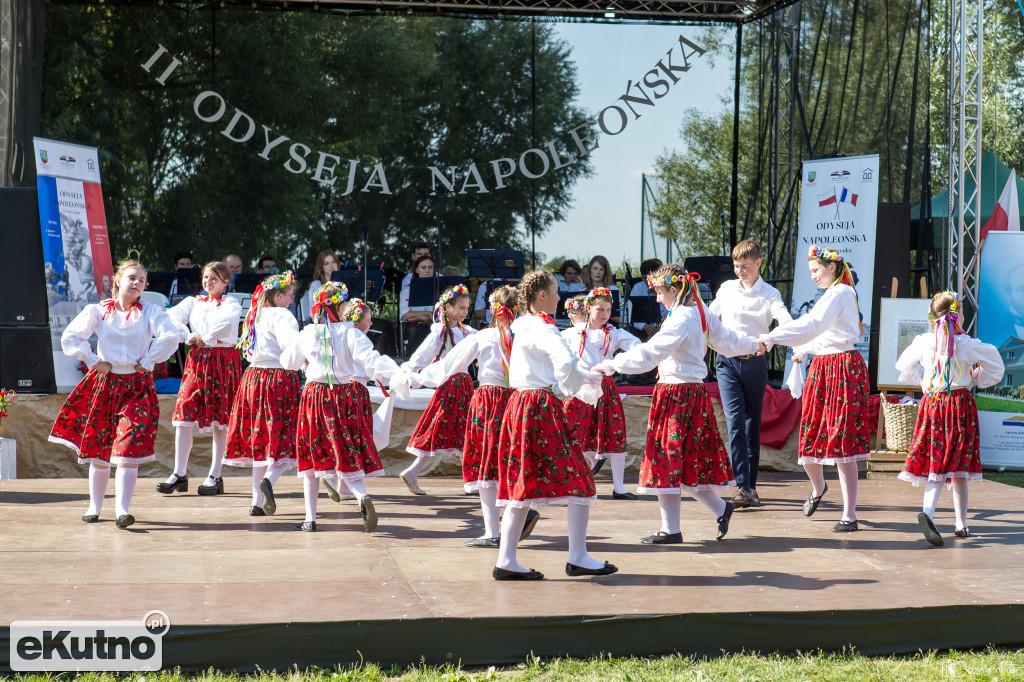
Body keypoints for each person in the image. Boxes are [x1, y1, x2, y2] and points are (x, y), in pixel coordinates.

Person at [594, 265, 760, 545]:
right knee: (681, 461)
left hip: (677, 394)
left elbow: (651, 353)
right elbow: (728, 341)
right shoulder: (698, 311)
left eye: (659, 292)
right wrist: (753, 344)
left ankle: (672, 529)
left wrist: (613, 364)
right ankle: (716, 510)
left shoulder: (682, 318)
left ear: (674, 290)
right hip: (692, 394)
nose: (657, 299)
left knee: (666, 458)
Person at [492, 270, 616, 580]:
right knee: (581, 479)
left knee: (523, 483)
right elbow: (565, 363)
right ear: (542, 296)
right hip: (538, 407)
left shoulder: (522, 328)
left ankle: (506, 560)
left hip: (519, 406)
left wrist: (577, 381)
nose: (561, 297)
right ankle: (578, 557)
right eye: (556, 291)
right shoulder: (544, 330)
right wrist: (577, 386)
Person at [49, 259, 180, 528]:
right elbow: (71, 337)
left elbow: (170, 335)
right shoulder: (98, 311)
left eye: (142, 281)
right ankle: (95, 507)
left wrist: (150, 360)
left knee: (128, 448)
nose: (137, 284)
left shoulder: (151, 311)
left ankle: (122, 510)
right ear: (118, 281)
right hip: (105, 383)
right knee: (99, 449)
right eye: (132, 278)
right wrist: (93, 359)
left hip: (136, 386)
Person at [413, 286, 540, 546]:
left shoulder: (483, 336)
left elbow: (449, 366)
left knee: (486, 462)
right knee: (513, 458)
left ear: (494, 310)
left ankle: (492, 531)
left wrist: (413, 379)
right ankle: (521, 509)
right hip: (518, 400)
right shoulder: (528, 335)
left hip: (488, 400)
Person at [760, 246, 870, 532]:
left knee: (842, 441)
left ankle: (849, 514)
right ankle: (818, 487)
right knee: (811, 431)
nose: (813, 277)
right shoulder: (831, 295)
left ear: (832, 268)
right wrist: (805, 350)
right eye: (810, 272)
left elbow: (814, 325)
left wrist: (772, 337)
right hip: (823, 368)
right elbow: (822, 334)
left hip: (843, 369)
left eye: (816, 270)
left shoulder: (841, 293)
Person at [282, 284, 405, 532]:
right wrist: (399, 374)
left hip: (315, 397)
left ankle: (310, 519)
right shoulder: (351, 334)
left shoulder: (308, 334)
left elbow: (288, 363)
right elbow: (371, 363)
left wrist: (306, 359)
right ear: (339, 307)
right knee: (345, 449)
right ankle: (362, 496)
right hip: (344, 396)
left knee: (312, 457)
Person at [895, 291, 1003, 545]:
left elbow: (903, 367)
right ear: (957, 315)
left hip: (933, 404)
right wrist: (976, 377)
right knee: (959, 468)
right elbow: (996, 369)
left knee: (937, 463)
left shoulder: (924, 341)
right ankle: (961, 524)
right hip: (959, 405)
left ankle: (929, 514)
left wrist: (925, 379)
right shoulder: (968, 344)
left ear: (933, 318)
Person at [709, 240, 792, 508]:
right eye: (736, 266)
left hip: (755, 362)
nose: (740, 271)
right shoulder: (726, 289)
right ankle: (741, 486)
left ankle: (750, 486)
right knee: (734, 422)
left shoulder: (769, 293)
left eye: (745, 266)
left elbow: (785, 320)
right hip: (727, 362)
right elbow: (710, 317)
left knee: (750, 423)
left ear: (758, 263)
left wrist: (772, 338)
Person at [159, 262, 243, 496]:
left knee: (220, 419)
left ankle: (215, 475)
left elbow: (225, 322)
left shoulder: (231, 303)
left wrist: (204, 337)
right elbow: (170, 317)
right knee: (184, 414)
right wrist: (188, 335)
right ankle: (179, 473)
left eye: (215, 278)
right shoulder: (192, 302)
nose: (208, 282)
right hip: (197, 360)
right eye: (206, 277)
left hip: (223, 360)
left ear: (226, 282)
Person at [224, 271, 302, 517]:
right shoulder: (282, 315)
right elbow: (292, 348)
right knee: (285, 436)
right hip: (277, 379)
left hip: (253, 378)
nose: (291, 300)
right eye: (289, 295)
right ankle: (269, 479)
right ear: (278, 295)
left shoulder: (255, 313)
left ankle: (256, 503)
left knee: (260, 439)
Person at [561, 287, 641, 498]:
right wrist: (579, 372)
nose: (605, 314)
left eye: (607, 309)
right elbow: (560, 358)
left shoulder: (614, 333)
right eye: (600, 309)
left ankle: (619, 487)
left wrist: (613, 363)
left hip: (605, 388)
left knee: (614, 433)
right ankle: (577, 478)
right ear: (588, 308)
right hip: (580, 389)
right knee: (574, 431)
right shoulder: (572, 333)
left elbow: (637, 346)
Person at [399, 284, 475, 494]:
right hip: (451, 387)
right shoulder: (440, 332)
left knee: (461, 431)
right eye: (460, 307)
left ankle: (472, 479)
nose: (464, 312)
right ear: (448, 307)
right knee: (449, 429)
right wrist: (408, 372)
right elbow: (419, 358)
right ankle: (472, 480)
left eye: (467, 308)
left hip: (463, 386)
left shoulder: (466, 331)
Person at [399, 253, 436, 354]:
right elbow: (406, 315)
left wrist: (420, 315)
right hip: (413, 326)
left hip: (434, 324)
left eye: (430, 267)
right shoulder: (407, 290)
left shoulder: (440, 290)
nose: (427, 270)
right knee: (418, 331)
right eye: (423, 267)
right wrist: (429, 315)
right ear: (416, 270)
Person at [629, 258, 665, 340]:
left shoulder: (664, 287)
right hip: (642, 331)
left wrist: (653, 294)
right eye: (645, 278)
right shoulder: (637, 288)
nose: (649, 281)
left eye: (652, 277)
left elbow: (666, 311)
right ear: (641, 278)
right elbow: (632, 315)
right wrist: (644, 326)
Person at [581, 255, 619, 323]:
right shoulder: (582, 290)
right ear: (590, 270)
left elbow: (617, 317)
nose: (598, 272)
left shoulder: (612, 289)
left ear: (605, 272)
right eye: (595, 268)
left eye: (601, 269)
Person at [305, 249, 341, 317]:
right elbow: (314, 313)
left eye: (333, 262)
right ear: (321, 267)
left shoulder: (343, 284)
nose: (331, 266)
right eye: (326, 264)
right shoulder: (316, 285)